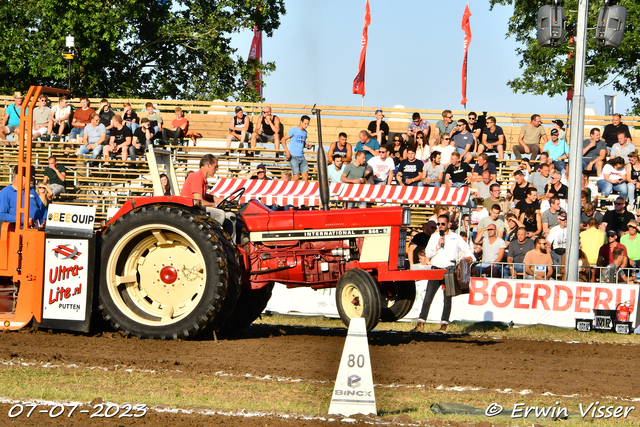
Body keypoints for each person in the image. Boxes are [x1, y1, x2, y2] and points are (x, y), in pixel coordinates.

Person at [410, 214, 474, 333]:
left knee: (447, 299)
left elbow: (467, 250)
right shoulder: (434, 237)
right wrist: (438, 246)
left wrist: (468, 259)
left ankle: (443, 325)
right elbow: (428, 254)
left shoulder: (456, 238)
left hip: (449, 270)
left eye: (442, 224)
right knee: (428, 298)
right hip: (435, 270)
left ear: (448, 224)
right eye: (438, 224)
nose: (440, 226)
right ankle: (421, 323)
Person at [180, 154, 236, 241]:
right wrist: (216, 204)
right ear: (208, 165)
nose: (216, 170)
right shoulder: (197, 176)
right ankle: (216, 242)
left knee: (231, 216)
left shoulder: (202, 178)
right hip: (192, 210)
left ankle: (231, 245)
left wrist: (215, 198)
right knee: (219, 214)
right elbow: (199, 201)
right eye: (216, 167)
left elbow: (202, 194)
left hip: (196, 208)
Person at [282, 115, 312, 182]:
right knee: (296, 177)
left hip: (301, 156)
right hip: (293, 156)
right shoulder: (293, 130)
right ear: (301, 122)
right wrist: (287, 151)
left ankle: (304, 191)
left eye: (308, 124)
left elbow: (302, 143)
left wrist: (307, 146)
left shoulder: (305, 132)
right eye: (305, 123)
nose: (306, 125)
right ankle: (287, 187)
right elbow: (283, 139)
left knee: (305, 175)